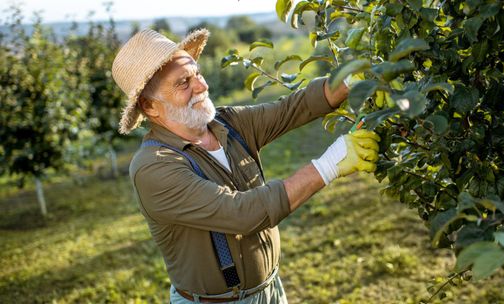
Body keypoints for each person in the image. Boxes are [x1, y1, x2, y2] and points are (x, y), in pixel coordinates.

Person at [111, 28, 380, 304]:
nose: (202, 87)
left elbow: (291, 109)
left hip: (271, 289)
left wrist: (349, 81)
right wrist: (330, 164)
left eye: (198, 74)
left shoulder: (228, 124)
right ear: (150, 106)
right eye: (183, 83)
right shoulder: (153, 168)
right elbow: (241, 214)